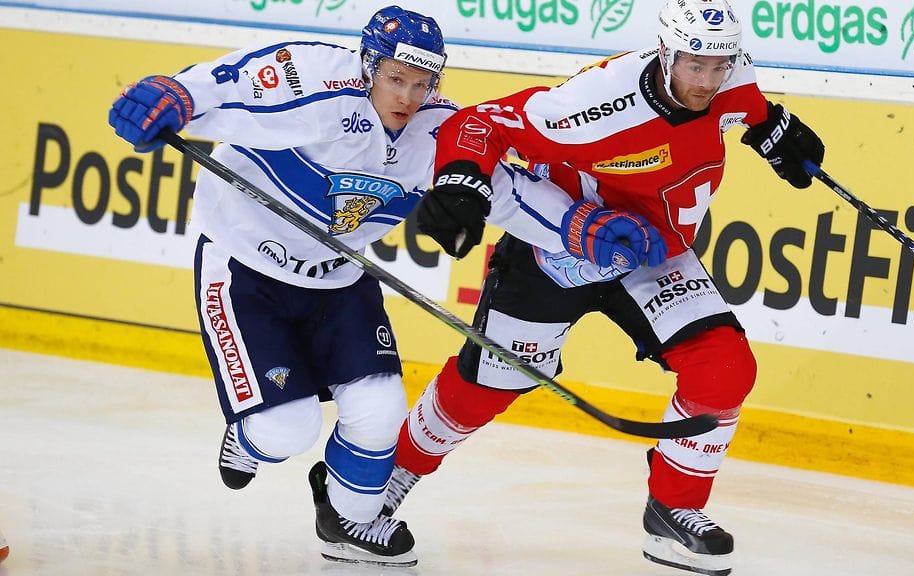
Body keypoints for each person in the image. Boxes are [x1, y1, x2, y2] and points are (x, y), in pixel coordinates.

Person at [384, 1, 825, 575]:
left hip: (652, 254)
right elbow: (479, 123)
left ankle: (673, 511)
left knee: (723, 368)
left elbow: (744, 101)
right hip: (562, 247)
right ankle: (386, 480)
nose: (706, 82)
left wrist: (770, 126)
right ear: (665, 53)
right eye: (694, 66)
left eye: (720, 66)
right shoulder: (594, 104)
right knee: (484, 387)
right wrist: (462, 179)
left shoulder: (728, 76)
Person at [107, 5, 455, 567]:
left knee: (380, 413)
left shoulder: (438, 126)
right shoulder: (315, 78)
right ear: (369, 65)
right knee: (286, 430)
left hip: (338, 280)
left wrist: (569, 227)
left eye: (422, 83)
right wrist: (176, 94)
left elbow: (501, 174)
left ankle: (348, 520)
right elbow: (230, 81)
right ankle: (249, 438)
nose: (408, 97)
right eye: (396, 78)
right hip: (245, 268)